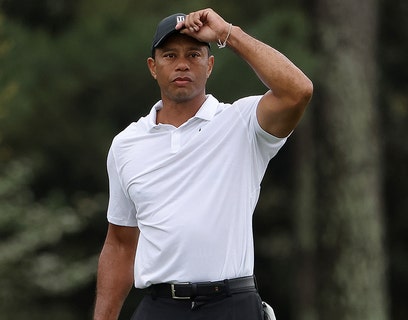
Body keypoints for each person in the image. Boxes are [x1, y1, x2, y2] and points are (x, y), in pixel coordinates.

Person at [93, 7, 312, 320]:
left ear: (210, 66)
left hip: (232, 304)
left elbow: (298, 91)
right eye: (170, 56)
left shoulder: (242, 123)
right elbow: (120, 244)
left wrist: (227, 33)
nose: (182, 64)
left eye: (193, 55)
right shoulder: (127, 144)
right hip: (159, 307)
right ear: (153, 67)